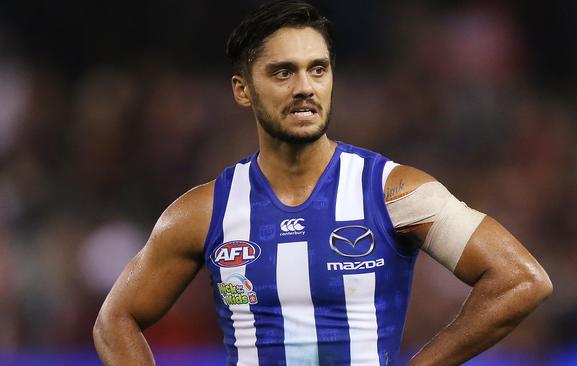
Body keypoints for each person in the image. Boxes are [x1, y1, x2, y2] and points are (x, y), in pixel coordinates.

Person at [93, 1, 553, 365]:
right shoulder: (202, 212)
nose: (305, 87)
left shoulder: (394, 192)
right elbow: (114, 321)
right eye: (282, 72)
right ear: (242, 89)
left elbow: (521, 280)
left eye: (318, 68)